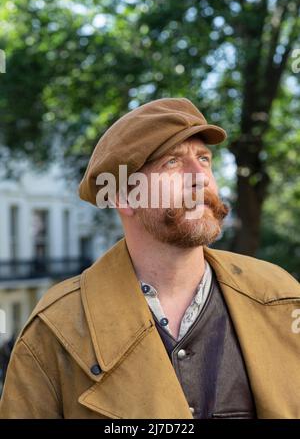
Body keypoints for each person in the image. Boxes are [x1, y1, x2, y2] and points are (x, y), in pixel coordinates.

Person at [0, 98, 299, 419]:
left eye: (204, 159)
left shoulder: (280, 295)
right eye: (172, 162)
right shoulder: (56, 329)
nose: (200, 177)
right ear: (124, 196)